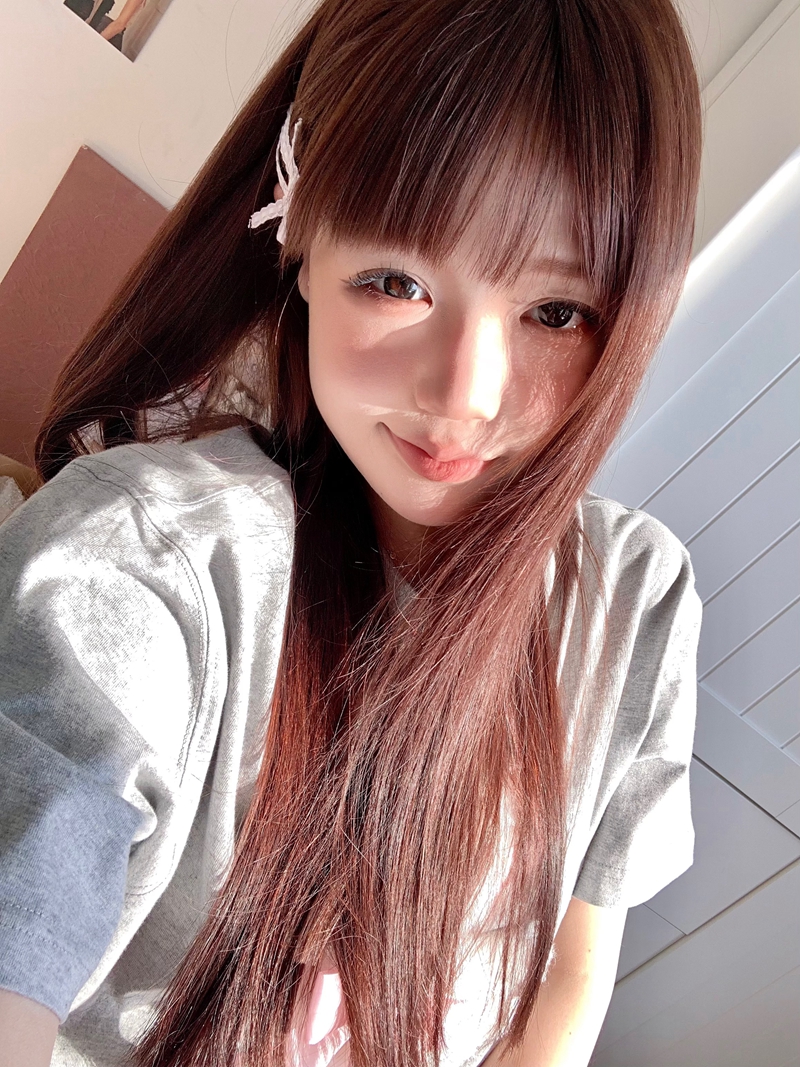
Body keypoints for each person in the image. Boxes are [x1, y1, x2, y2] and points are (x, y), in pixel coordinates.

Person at [0, 0, 704, 1064]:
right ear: (298, 234)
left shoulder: (634, 599)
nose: (464, 396)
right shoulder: (152, 560)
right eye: (397, 282)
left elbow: (572, 961)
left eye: (556, 313)